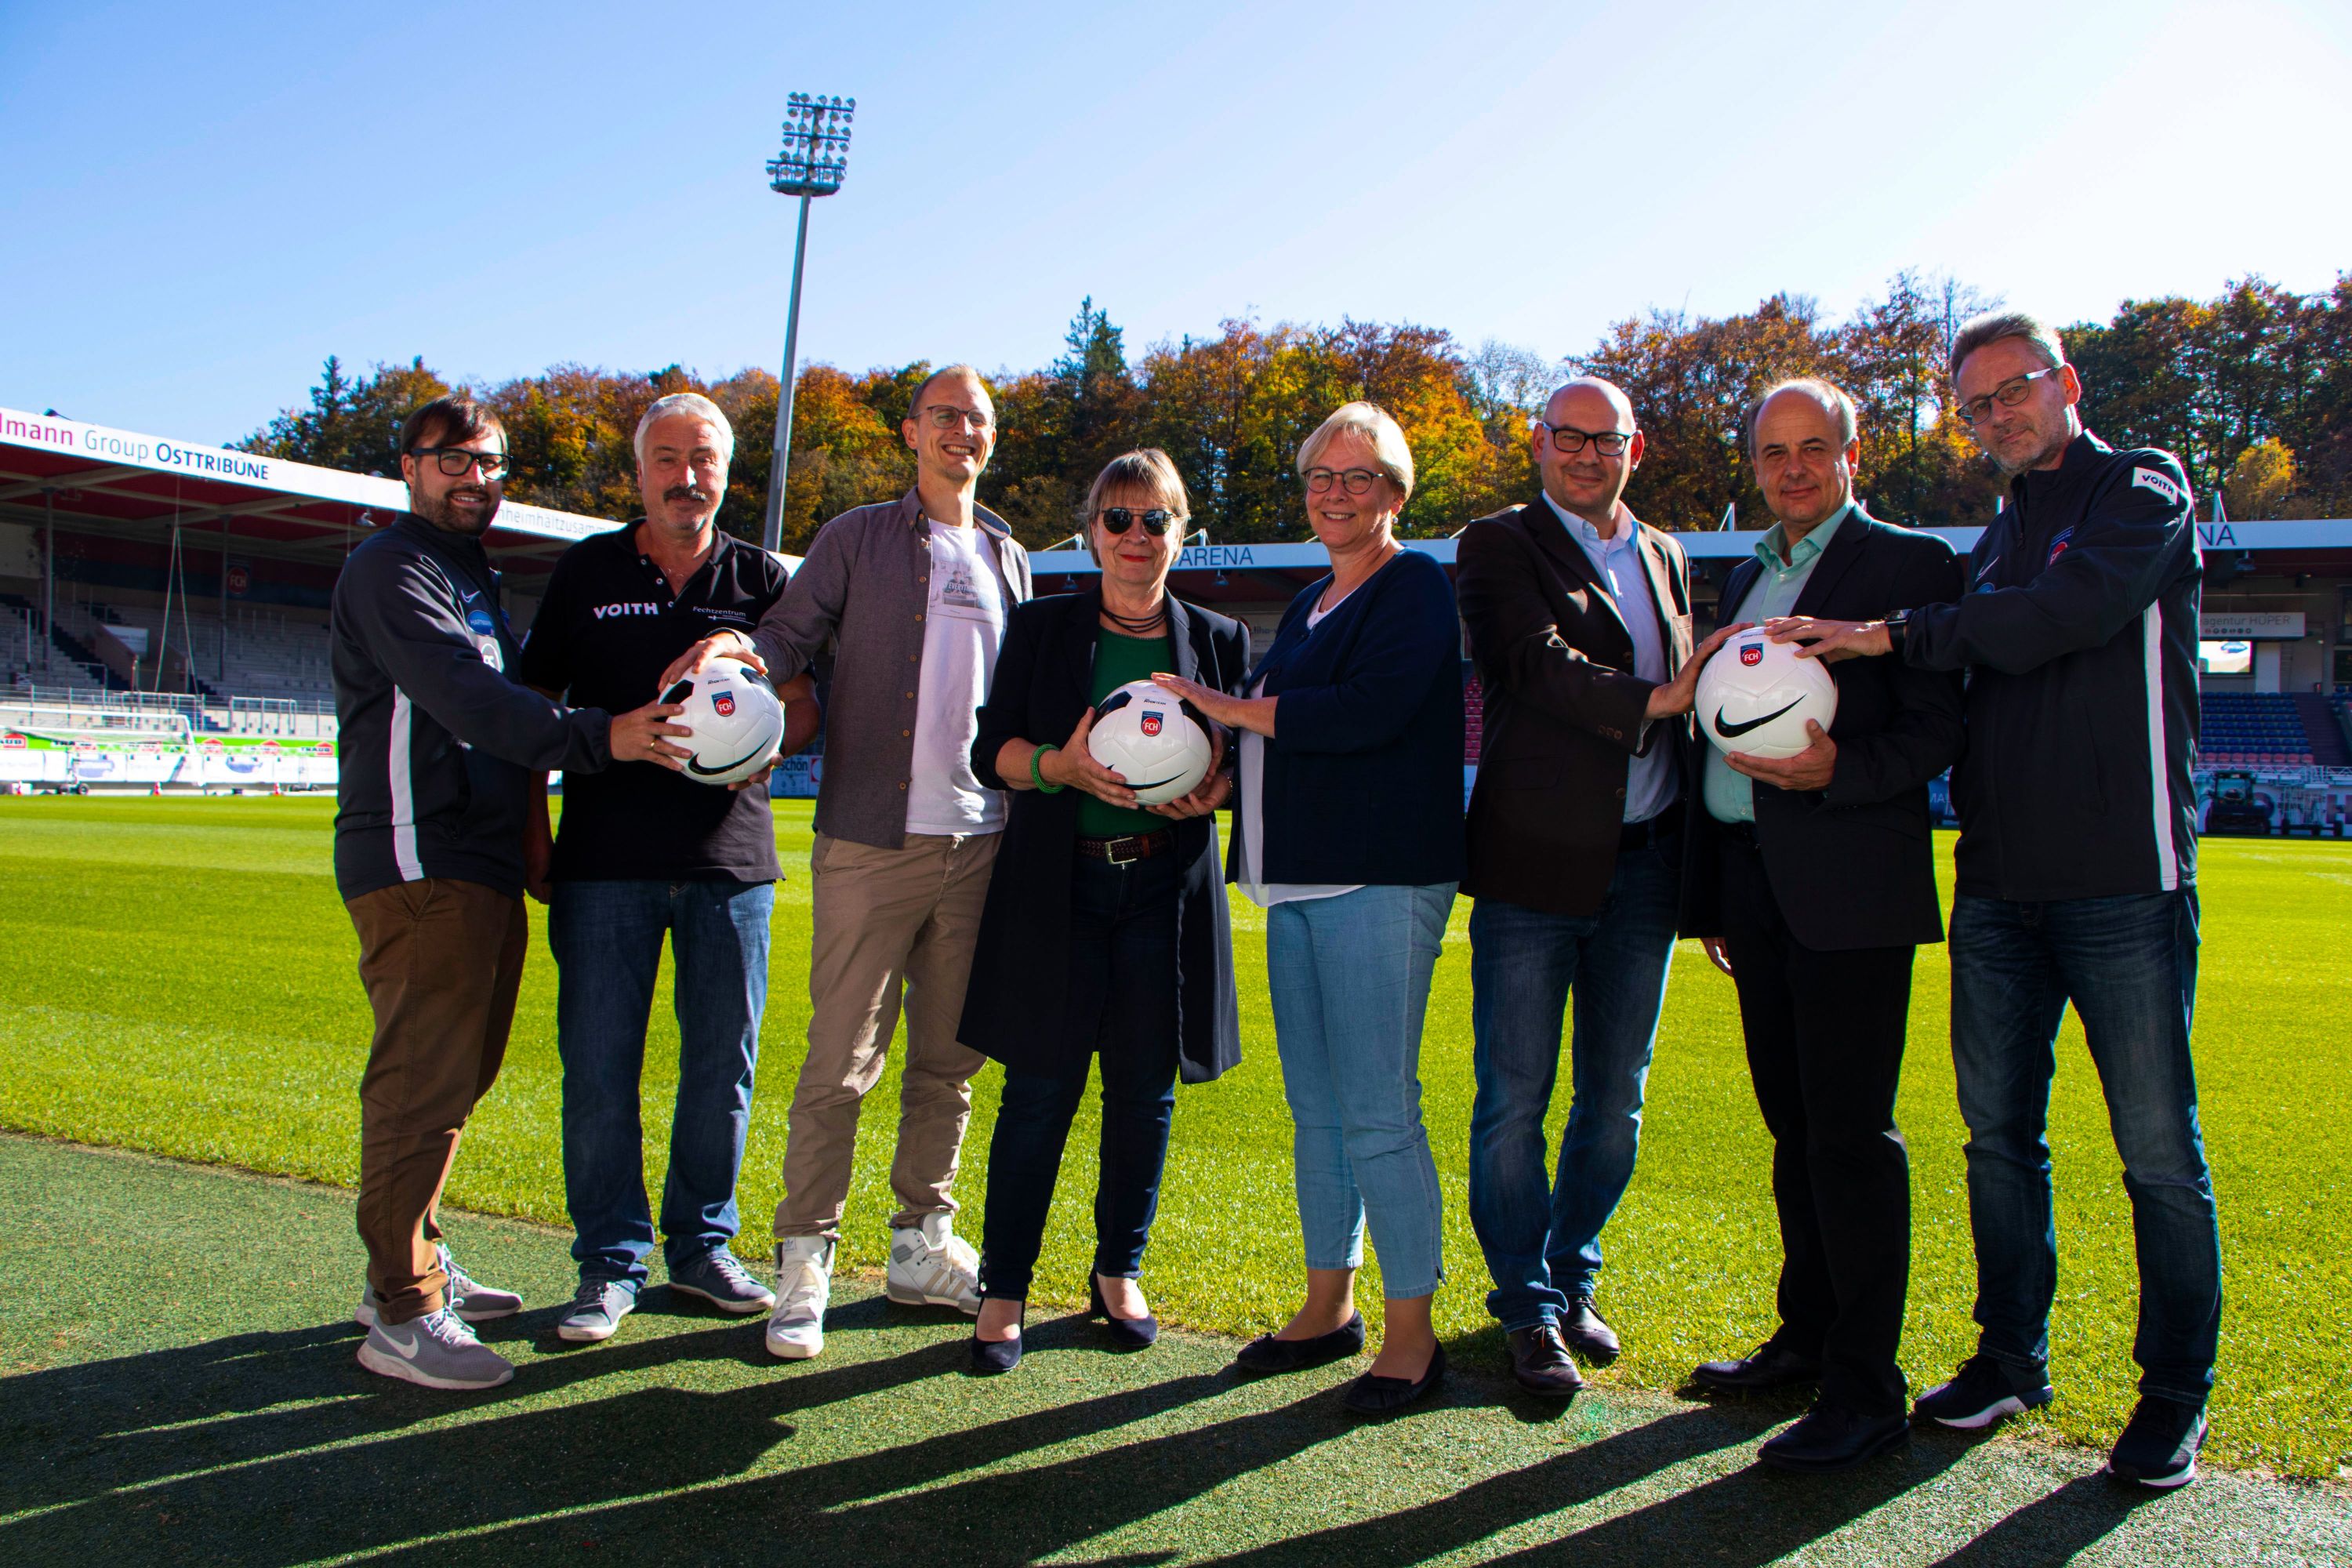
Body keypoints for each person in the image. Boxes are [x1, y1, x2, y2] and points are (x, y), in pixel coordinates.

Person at [1775, 312, 2216, 1489]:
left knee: (2158, 1156)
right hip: (2000, 888)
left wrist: (1891, 632)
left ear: (2065, 383)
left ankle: (2175, 1396)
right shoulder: (1997, 534)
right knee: (1998, 1146)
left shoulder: (2143, 491)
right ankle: (2010, 1358)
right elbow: (1976, 667)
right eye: (1975, 406)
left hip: (2125, 878)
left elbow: (2056, 620)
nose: (1996, 416)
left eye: (2012, 391)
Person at [666, 365, 1033, 1359]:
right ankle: (805, 1259)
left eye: (979, 419)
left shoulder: (1008, 551)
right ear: (912, 429)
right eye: (947, 414)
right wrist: (729, 654)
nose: (963, 430)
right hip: (871, 841)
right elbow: (785, 634)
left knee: (950, 1063)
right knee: (840, 1062)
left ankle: (921, 1244)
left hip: (982, 840)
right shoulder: (856, 537)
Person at [329, 394, 691, 1390]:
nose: (473, 477)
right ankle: (401, 1310)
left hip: (476, 859)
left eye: (488, 462)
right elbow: (469, 698)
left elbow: (503, 698)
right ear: (408, 466)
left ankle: (410, 1266)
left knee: (454, 1078)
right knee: (418, 1084)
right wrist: (598, 736)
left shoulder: (469, 572)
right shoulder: (391, 566)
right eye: (451, 460)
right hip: (418, 856)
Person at [1677, 379, 1966, 1471]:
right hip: (1752, 888)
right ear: (1754, 464)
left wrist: (1846, 770)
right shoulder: (1748, 576)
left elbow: (1942, 728)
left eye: (1813, 449)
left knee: (1849, 1137)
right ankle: (1806, 1339)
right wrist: (1712, 893)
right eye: (1773, 452)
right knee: (1792, 1130)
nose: (1792, 469)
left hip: (1849, 887)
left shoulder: (1912, 568)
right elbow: (1716, 733)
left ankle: (1867, 1387)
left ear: (1855, 454)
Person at [1156, 401, 1463, 1415]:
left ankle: (1414, 1336)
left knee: (1379, 1113)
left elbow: (1369, 713)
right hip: (1292, 882)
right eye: (1322, 478)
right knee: (1319, 1114)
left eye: (1359, 476)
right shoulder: (1309, 605)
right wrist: (1217, 779)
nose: (1336, 493)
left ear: (1396, 492)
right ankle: (1327, 1305)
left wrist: (1232, 712)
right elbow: (1277, 737)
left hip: (1377, 878)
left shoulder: (1414, 585)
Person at [517, 393, 819, 1344]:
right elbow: (529, 710)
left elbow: (807, 700)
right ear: (638, 470)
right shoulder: (585, 571)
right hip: (604, 862)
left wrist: (774, 736)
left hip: (731, 862)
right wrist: (536, 834)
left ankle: (699, 1247)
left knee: (719, 1068)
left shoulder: (763, 578)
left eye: (704, 458)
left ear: (727, 471)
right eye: (667, 458)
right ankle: (609, 1262)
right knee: (600, 1069)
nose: (686, 475)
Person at [1451, 377, 1729, 1397]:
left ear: (1635, 447)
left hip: (1649, 867)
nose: (1583, 453)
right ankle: (1525, 1308)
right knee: (1512, 1102)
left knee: (1615, 1104)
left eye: (1602, 439)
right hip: (1534, 871)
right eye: (1566, 437)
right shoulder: (1496, 544)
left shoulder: (1667, 553)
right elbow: (1532, 665)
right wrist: (1657, 696)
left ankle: (1571, 1275)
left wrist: (1714, 885)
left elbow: (1701, 720)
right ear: (1538, 443)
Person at [957, 450, 1250, 1373]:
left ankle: (1118, 1268)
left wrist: (1219, 789)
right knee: (1040, 1089)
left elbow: (1244, 761)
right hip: (1062, 888)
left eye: (1154, 519)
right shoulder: (1044, 626)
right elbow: (987, 750)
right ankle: (1004, 1285)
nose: (1135, 537)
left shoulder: (1218, 639)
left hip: (1163, 889)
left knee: (1143, 1091)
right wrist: (1059, 766)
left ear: (1180, 531)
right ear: (1091, 533)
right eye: (1118, 519)